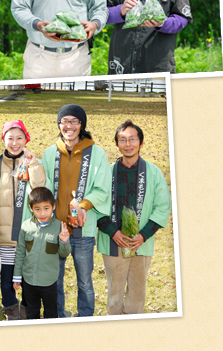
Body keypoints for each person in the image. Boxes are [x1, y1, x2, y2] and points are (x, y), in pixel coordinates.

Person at [40, 104, 110, 318]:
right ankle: (58, 317)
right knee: (55, 280)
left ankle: (85, 317)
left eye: (74, 121)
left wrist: (84, 205)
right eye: (64, 121)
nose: (69, 126)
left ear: (82, 125)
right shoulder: (50, 153)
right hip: (55, 229)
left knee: (85, 281)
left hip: (83, 230)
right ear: (59, 124)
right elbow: (43, 187)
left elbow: (102, 187)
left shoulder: (96, 153)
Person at [95, 120, 170, 315]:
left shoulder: (153, 173)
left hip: (141, 243)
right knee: (114, 294)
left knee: (137, 293)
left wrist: (143, 235)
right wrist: (113, 232)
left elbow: (162, 206)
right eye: (123, 140)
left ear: (141, 143)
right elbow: (96, 205)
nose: (128, 144)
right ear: (117, 144)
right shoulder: (106, 173)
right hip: (114, 242)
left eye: (132, 139)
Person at [0, 120, 46, 320]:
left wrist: (33, 164)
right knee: (5, 279)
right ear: (3, 139)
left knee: (28, 280)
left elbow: (41, 190)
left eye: (19, 138)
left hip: (27, 237)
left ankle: (28, 311)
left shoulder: (34, 164)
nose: (15, 143)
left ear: (26, 139)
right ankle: (12, 312)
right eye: (10, 138)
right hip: (2, 238)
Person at [12, 187, 71, 319]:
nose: (42, 213)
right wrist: (17, 277)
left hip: (49, 281)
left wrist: (64, 241)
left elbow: (64, 254)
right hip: (29, 281)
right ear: (31, 208)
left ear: (53, 206)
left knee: (51, 313)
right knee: (32, 312)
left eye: (46, 208)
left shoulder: (59, 227)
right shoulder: (26, 226)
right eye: (37, 209)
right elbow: (20, 252)